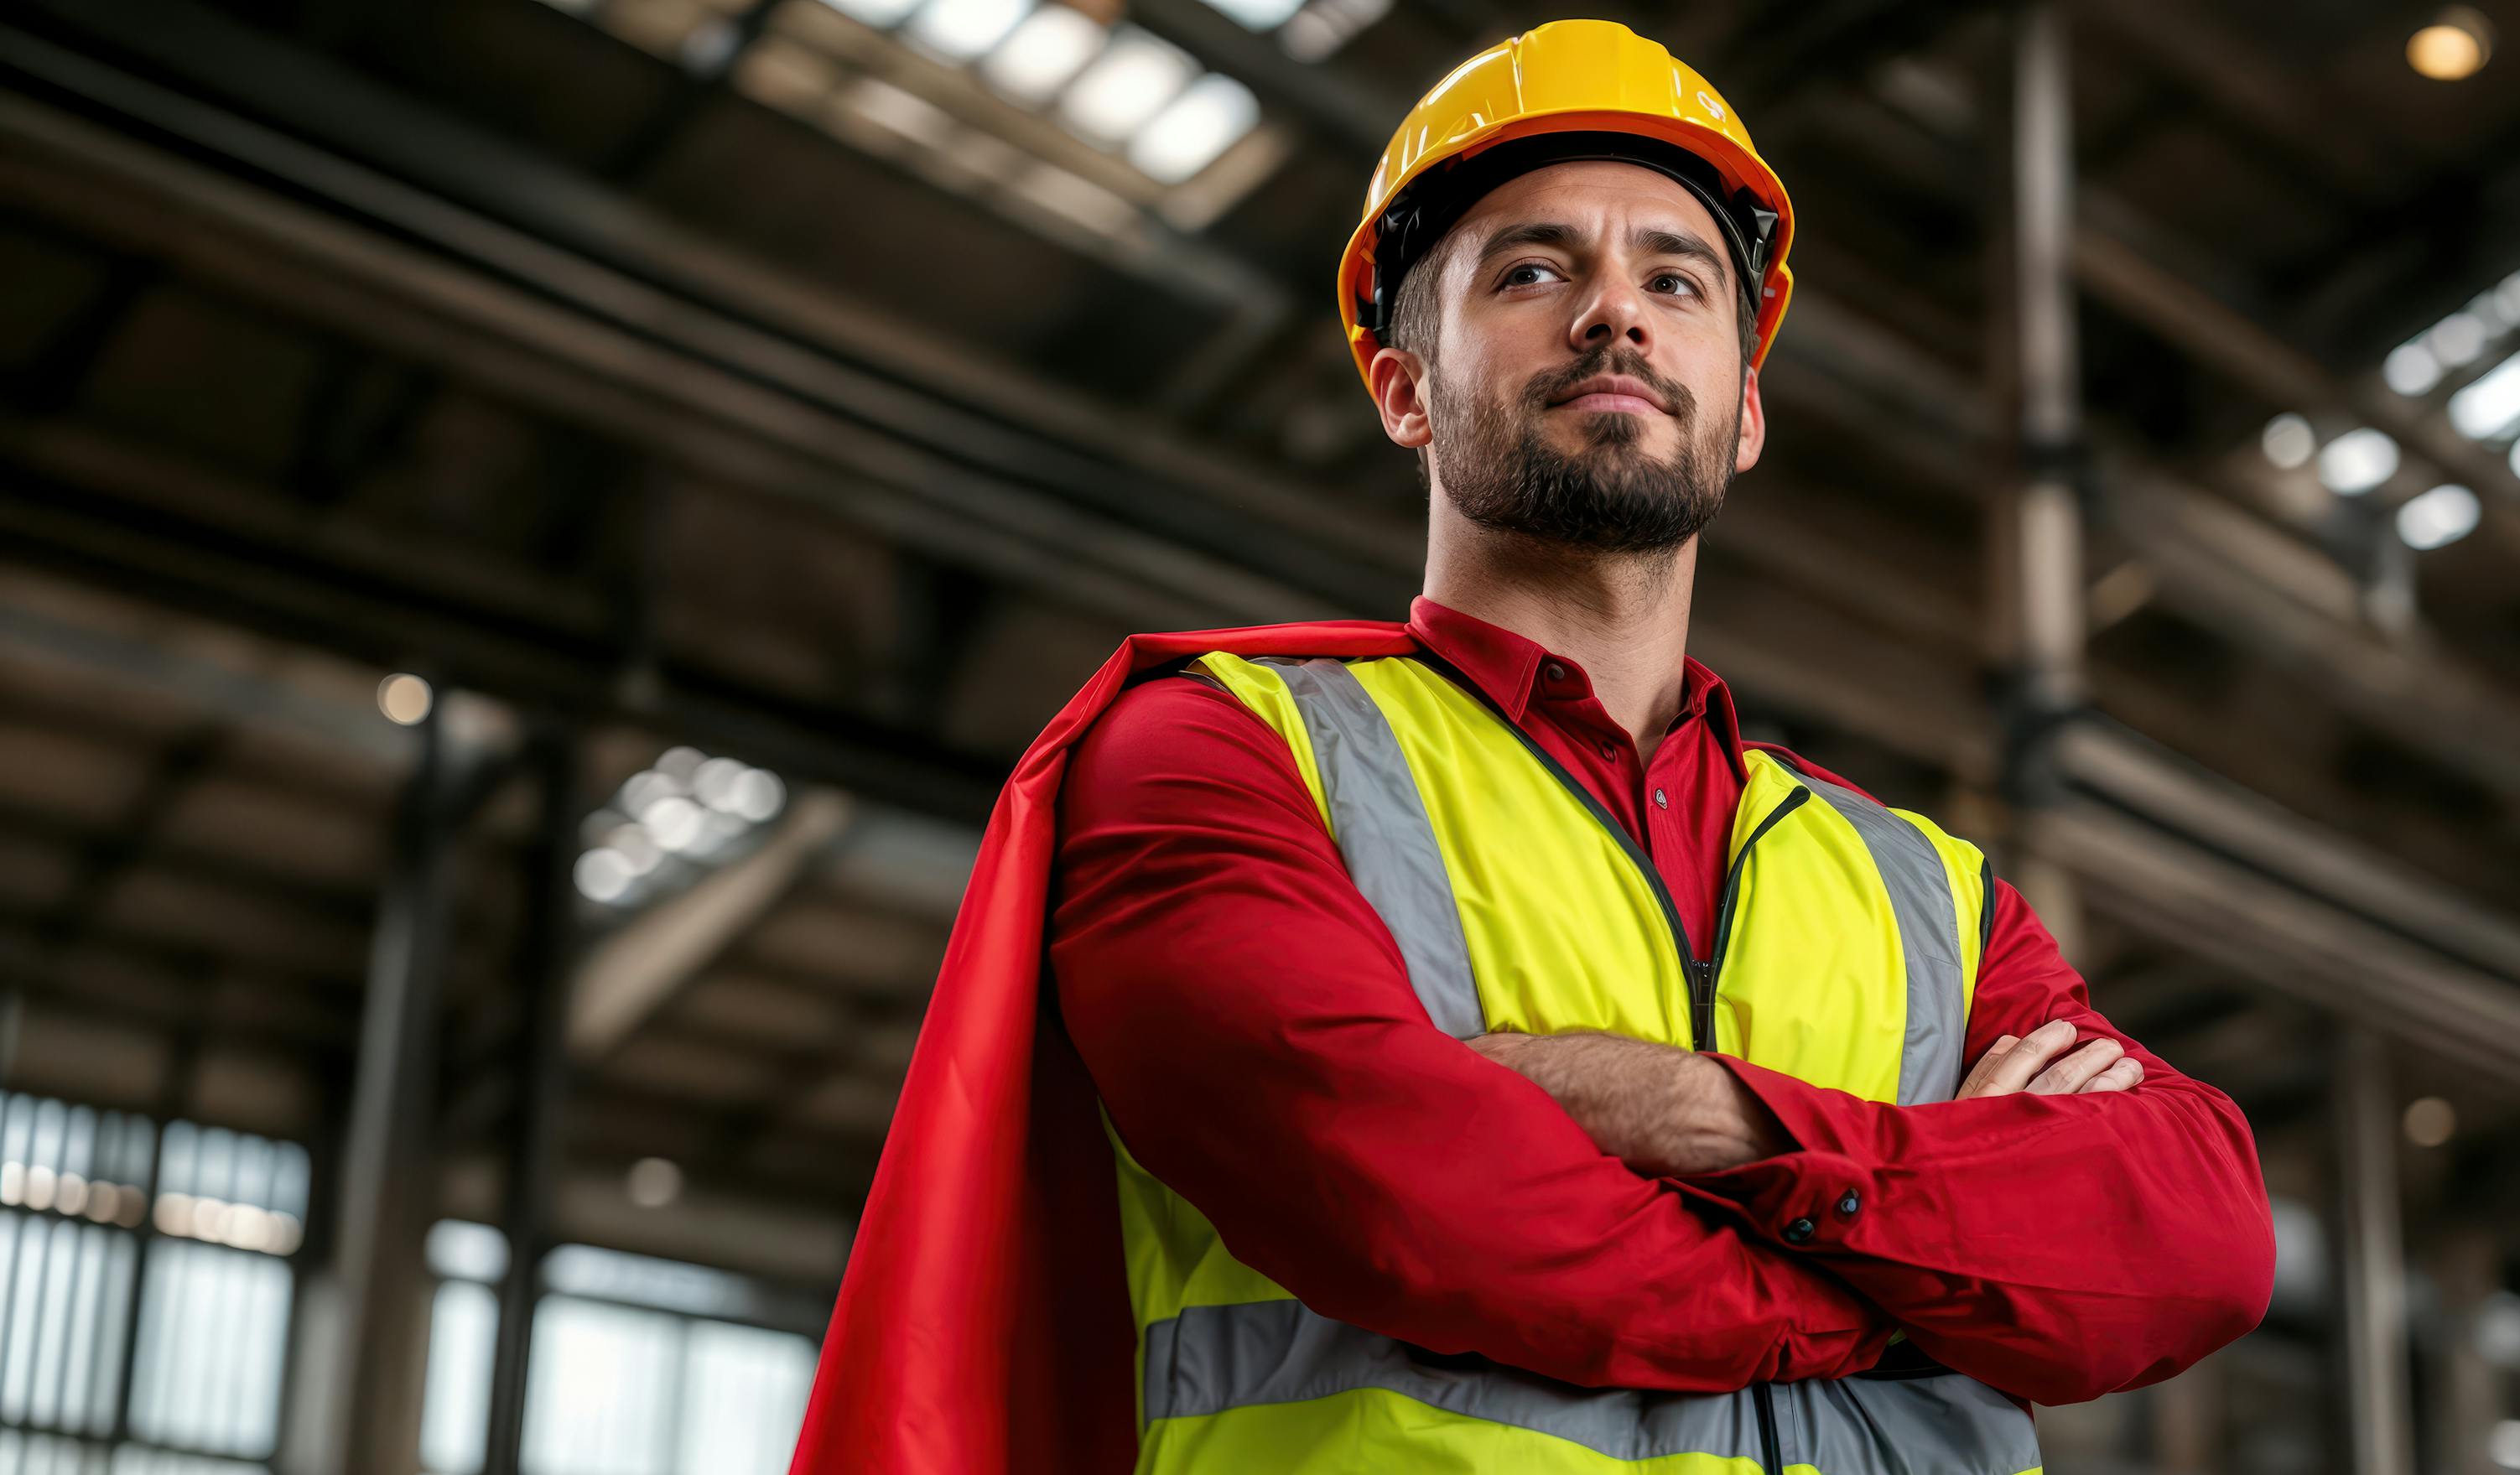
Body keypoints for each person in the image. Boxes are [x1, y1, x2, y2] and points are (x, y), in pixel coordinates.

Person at [789, 20, 2270, 1473]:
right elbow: (1406, 1204)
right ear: (1402, 390)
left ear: (1746, 409)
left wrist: (1695, 1113)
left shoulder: (1926, 890)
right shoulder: (1213, 749)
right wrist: (1911, 1275)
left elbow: (2197, 1239)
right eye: (1533, 271)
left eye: (1674, 279)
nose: (1615, 312)